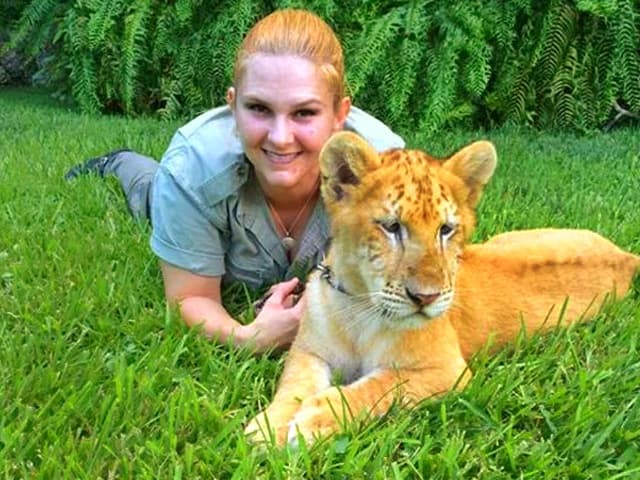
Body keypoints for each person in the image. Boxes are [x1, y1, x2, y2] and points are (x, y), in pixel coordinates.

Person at [65, 9, 405, 352]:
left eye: (304, 112)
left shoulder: (388, 176)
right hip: (173, 187)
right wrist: (249, 338)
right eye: (258, 108)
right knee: (149, 190)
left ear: (340, 115)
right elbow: (190, 297)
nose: (280, 137)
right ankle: (119, 160)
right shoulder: (191, 169)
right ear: (233, 107)